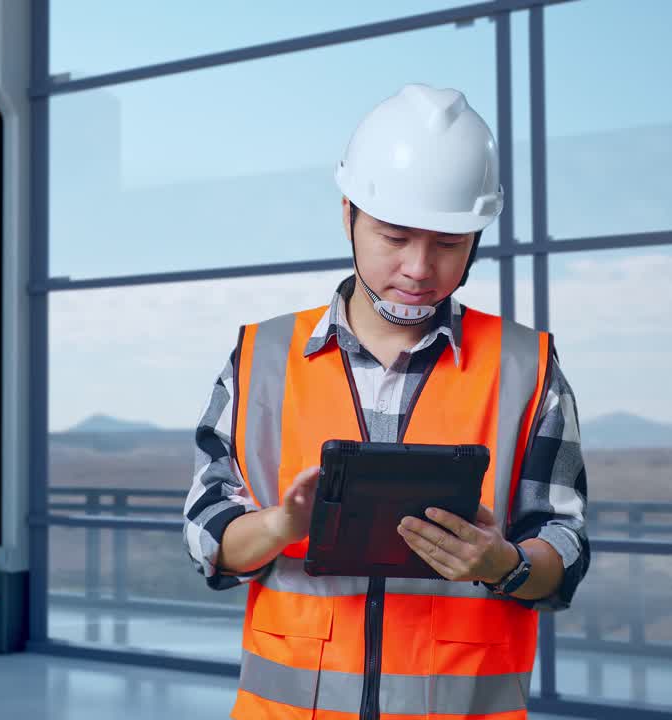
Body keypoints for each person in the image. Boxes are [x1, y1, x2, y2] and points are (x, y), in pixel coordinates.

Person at [182, 84, 589, 719]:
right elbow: (206, 539)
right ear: (348, 213)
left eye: (448, 244)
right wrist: (282, 526)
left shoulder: (526, 367)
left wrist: (502, 562)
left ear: (476, 238)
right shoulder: (261, 358)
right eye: (394, 237)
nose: (420, 268)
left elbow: (563, 549)